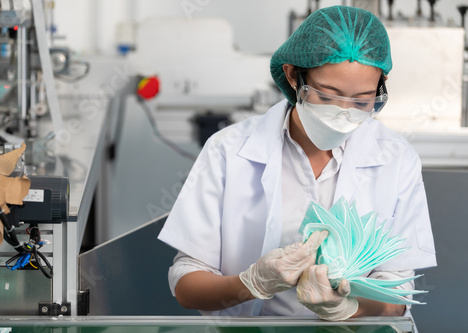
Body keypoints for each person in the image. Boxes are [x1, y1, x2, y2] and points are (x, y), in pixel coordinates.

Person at [158, 5, 436, 320]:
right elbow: (187, 285)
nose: (344, 113)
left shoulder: (396, 159)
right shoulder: (228, 151)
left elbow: (396, 298)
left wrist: (348, 308)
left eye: (361, 101)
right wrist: (252, 283)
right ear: (293, 76)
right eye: (327, 96)